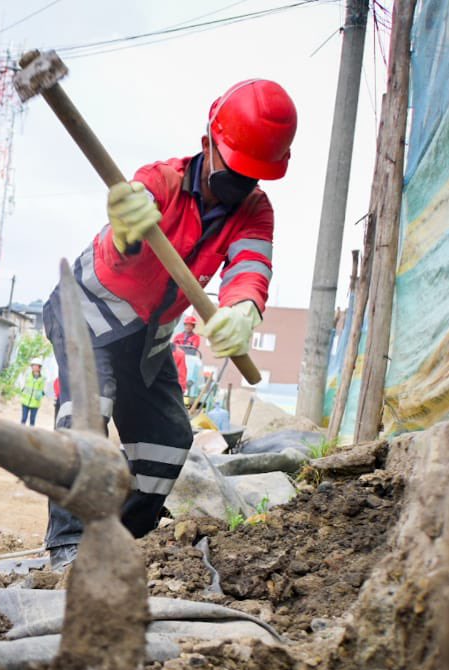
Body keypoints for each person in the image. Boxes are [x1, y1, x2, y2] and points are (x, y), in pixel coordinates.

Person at [44, 79, 295, 571]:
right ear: (208, 144)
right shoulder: (158, 183)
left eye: (255, 174)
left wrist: (243, 309)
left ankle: (122, 538)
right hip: (86, 318)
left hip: (147, 340)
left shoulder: (254, 210)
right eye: (236, 169)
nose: (243, 182)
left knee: (167, 438)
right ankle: (68, 548)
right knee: (87, 418)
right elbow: (117, 258)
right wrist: (124, 232)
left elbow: (249, 267)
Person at [173, 313, 204, 398]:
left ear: (193, 327)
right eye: (186, 325)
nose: (188, 327)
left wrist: (183, 348)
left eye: (190, 325)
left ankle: (188, 386)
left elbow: (194, 347)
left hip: (190, 357)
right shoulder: (178, 336)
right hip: (179, 357)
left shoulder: (196, 337)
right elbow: (174, 346)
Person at [18, 359, 46, 426]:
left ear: (39, 367)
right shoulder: (28, 375)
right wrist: (22, 389)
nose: (34, 367)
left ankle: (31, 435)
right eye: (33, 365)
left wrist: (41, 394)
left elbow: (44, 390)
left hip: (35, 403)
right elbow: (22, 383)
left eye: (36, 366)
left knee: (32, 421)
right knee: (23, 419)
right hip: (25, 401)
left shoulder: (43, 379)